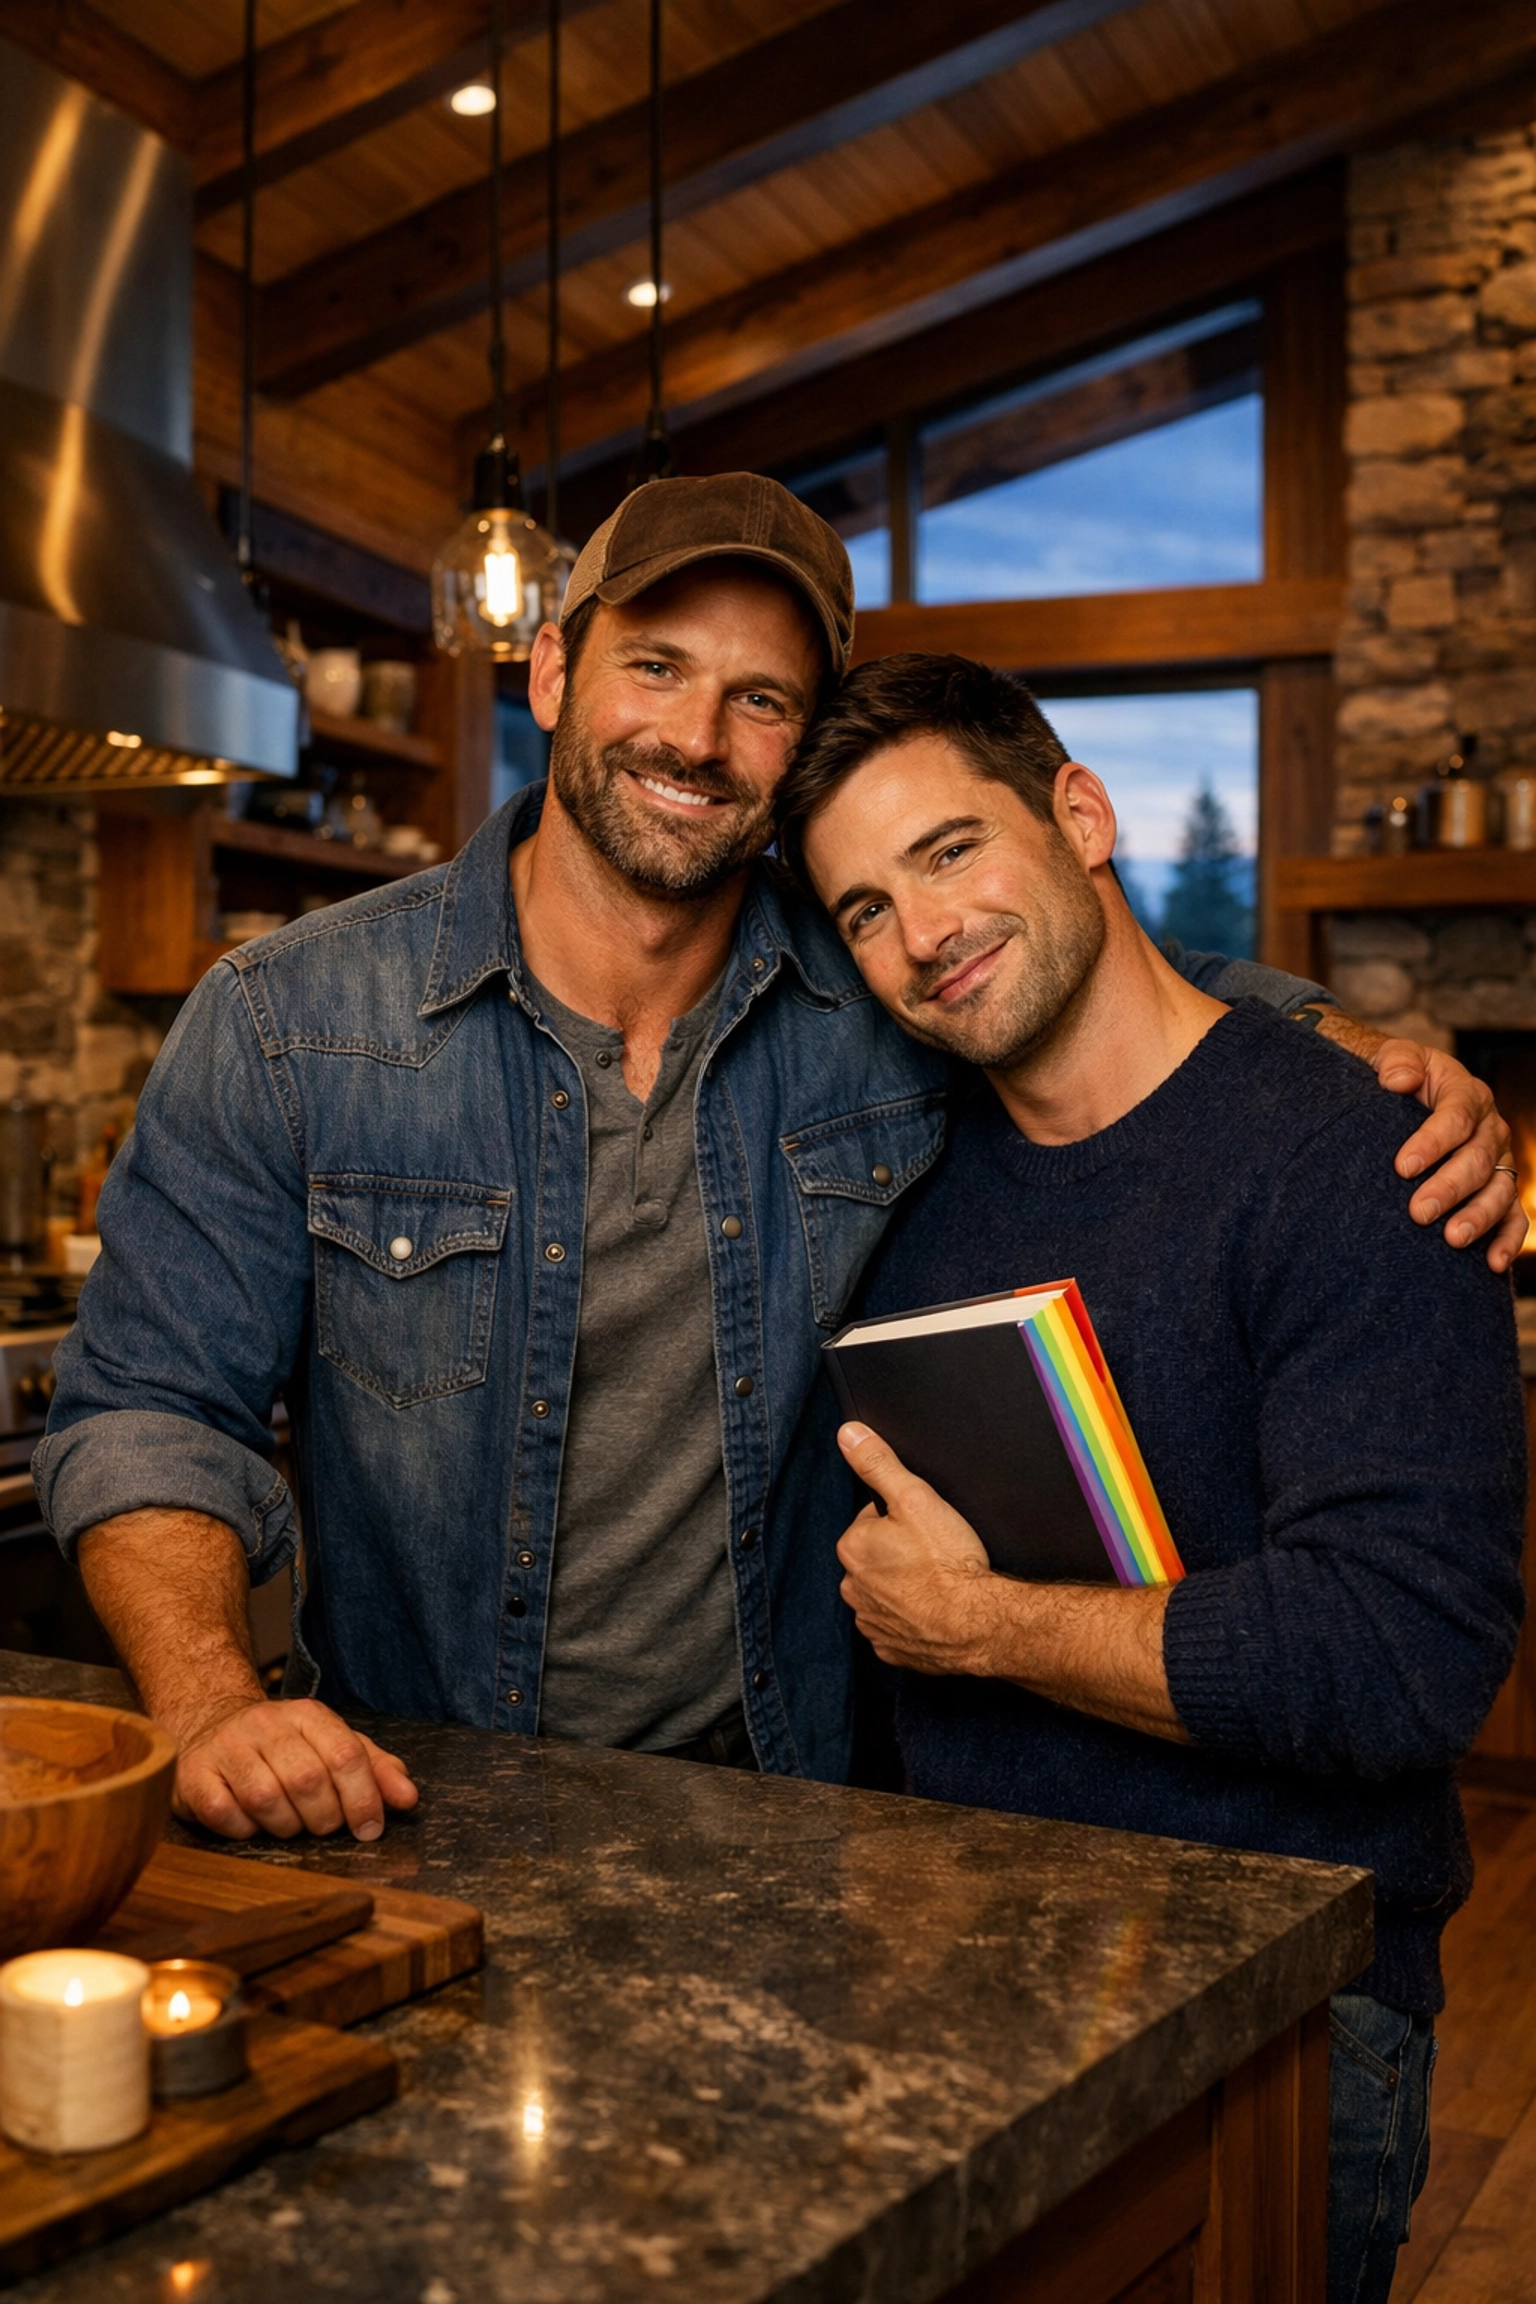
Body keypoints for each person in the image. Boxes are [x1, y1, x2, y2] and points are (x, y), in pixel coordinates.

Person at [37, 479, 1522, 1851]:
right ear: (553, 672)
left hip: (798, 1828)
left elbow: (1107, 971)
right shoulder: (291, 1024)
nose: (697, 737)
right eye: (658, 665)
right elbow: (153, 1409)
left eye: (761, 700)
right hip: (423, 1810)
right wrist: (214, 1704)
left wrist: (1364, 1058)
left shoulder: (868, 994)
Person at [777, 652, 1528, 2304]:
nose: (923, 933)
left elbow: (1394, 1661)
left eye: (952, 850)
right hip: (962, 2001)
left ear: (1083, 816)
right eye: (863, 910)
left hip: (1280, 2021)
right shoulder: (905, 1213)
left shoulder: (1364, 1155)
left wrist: (983, 1630)